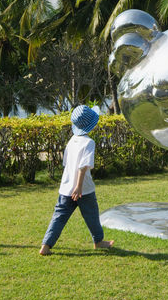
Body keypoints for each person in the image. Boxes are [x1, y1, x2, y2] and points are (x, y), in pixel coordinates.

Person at [39, 104, 115, 256]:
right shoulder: (89, 143)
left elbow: (66, 164)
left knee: (59, 217)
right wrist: (79, 187)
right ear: (91, 125)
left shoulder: (72, 140)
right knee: (92, 215)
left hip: (66, 188)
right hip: (84, 189)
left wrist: (72, 186)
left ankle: (45, 246)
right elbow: (83, 167)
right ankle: (99, 242)